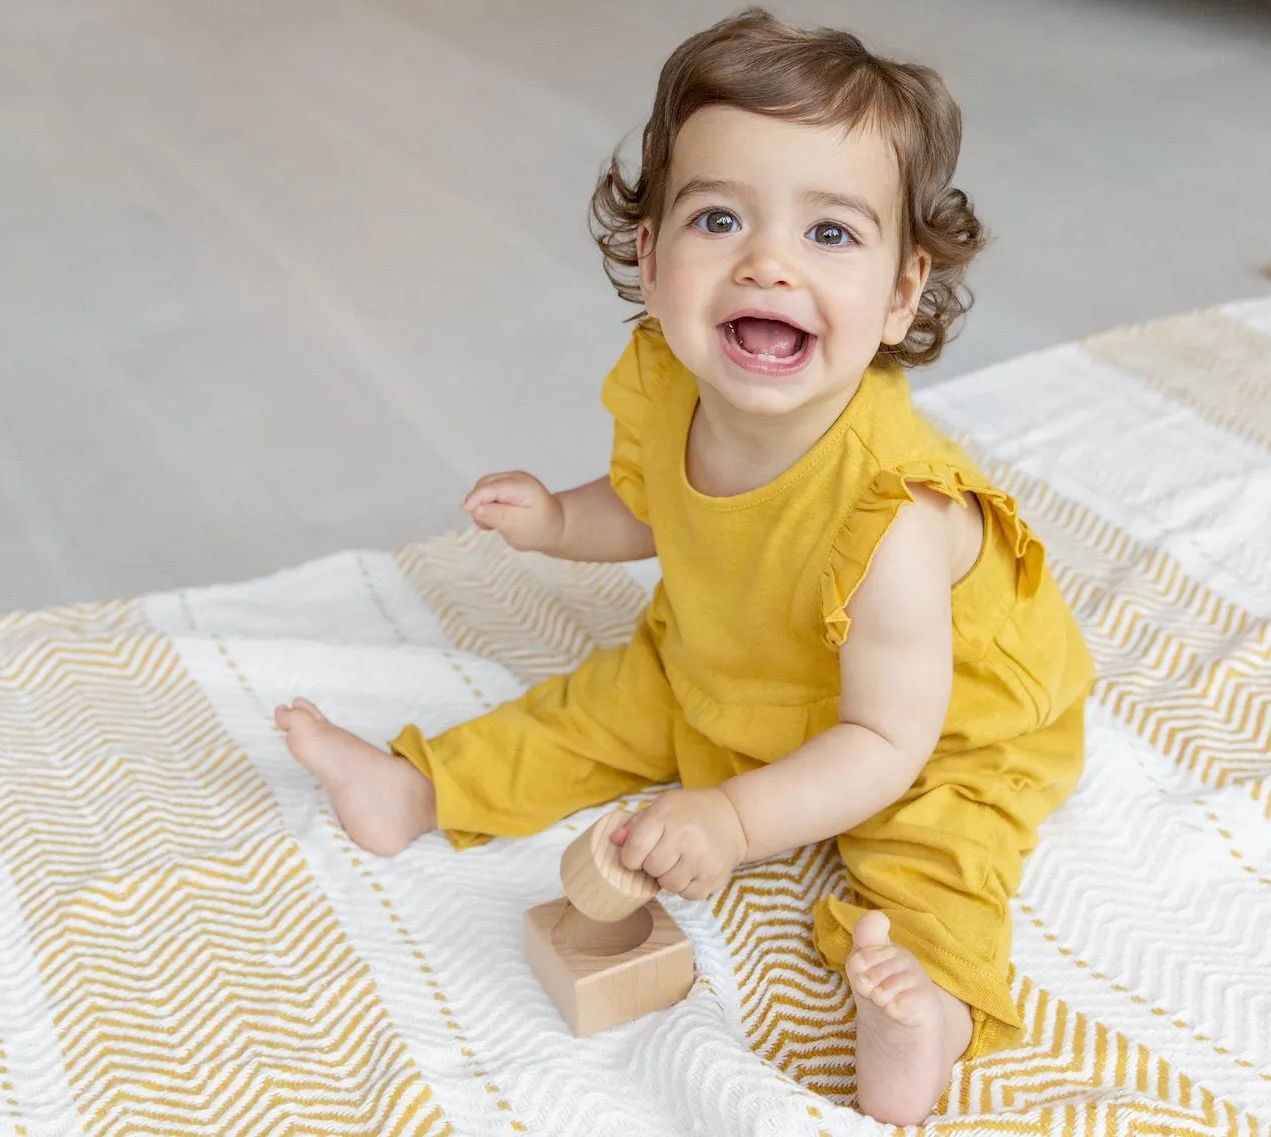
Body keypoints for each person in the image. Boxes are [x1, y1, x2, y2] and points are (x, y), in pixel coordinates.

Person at [274, 8, 1094, 1124]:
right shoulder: (667, 381)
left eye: (832, 235)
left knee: (939, 861)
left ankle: (926, 1020)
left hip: (935, 729)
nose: (768, 262)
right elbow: (654, 503)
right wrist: (558, 521)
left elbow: (884, 743)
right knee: (590, 708)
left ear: (903, 294)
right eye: (720, 218)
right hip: (735, 662)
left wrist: (735, 823)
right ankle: (415, 785)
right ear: (652, 261)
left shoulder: (897, 515)